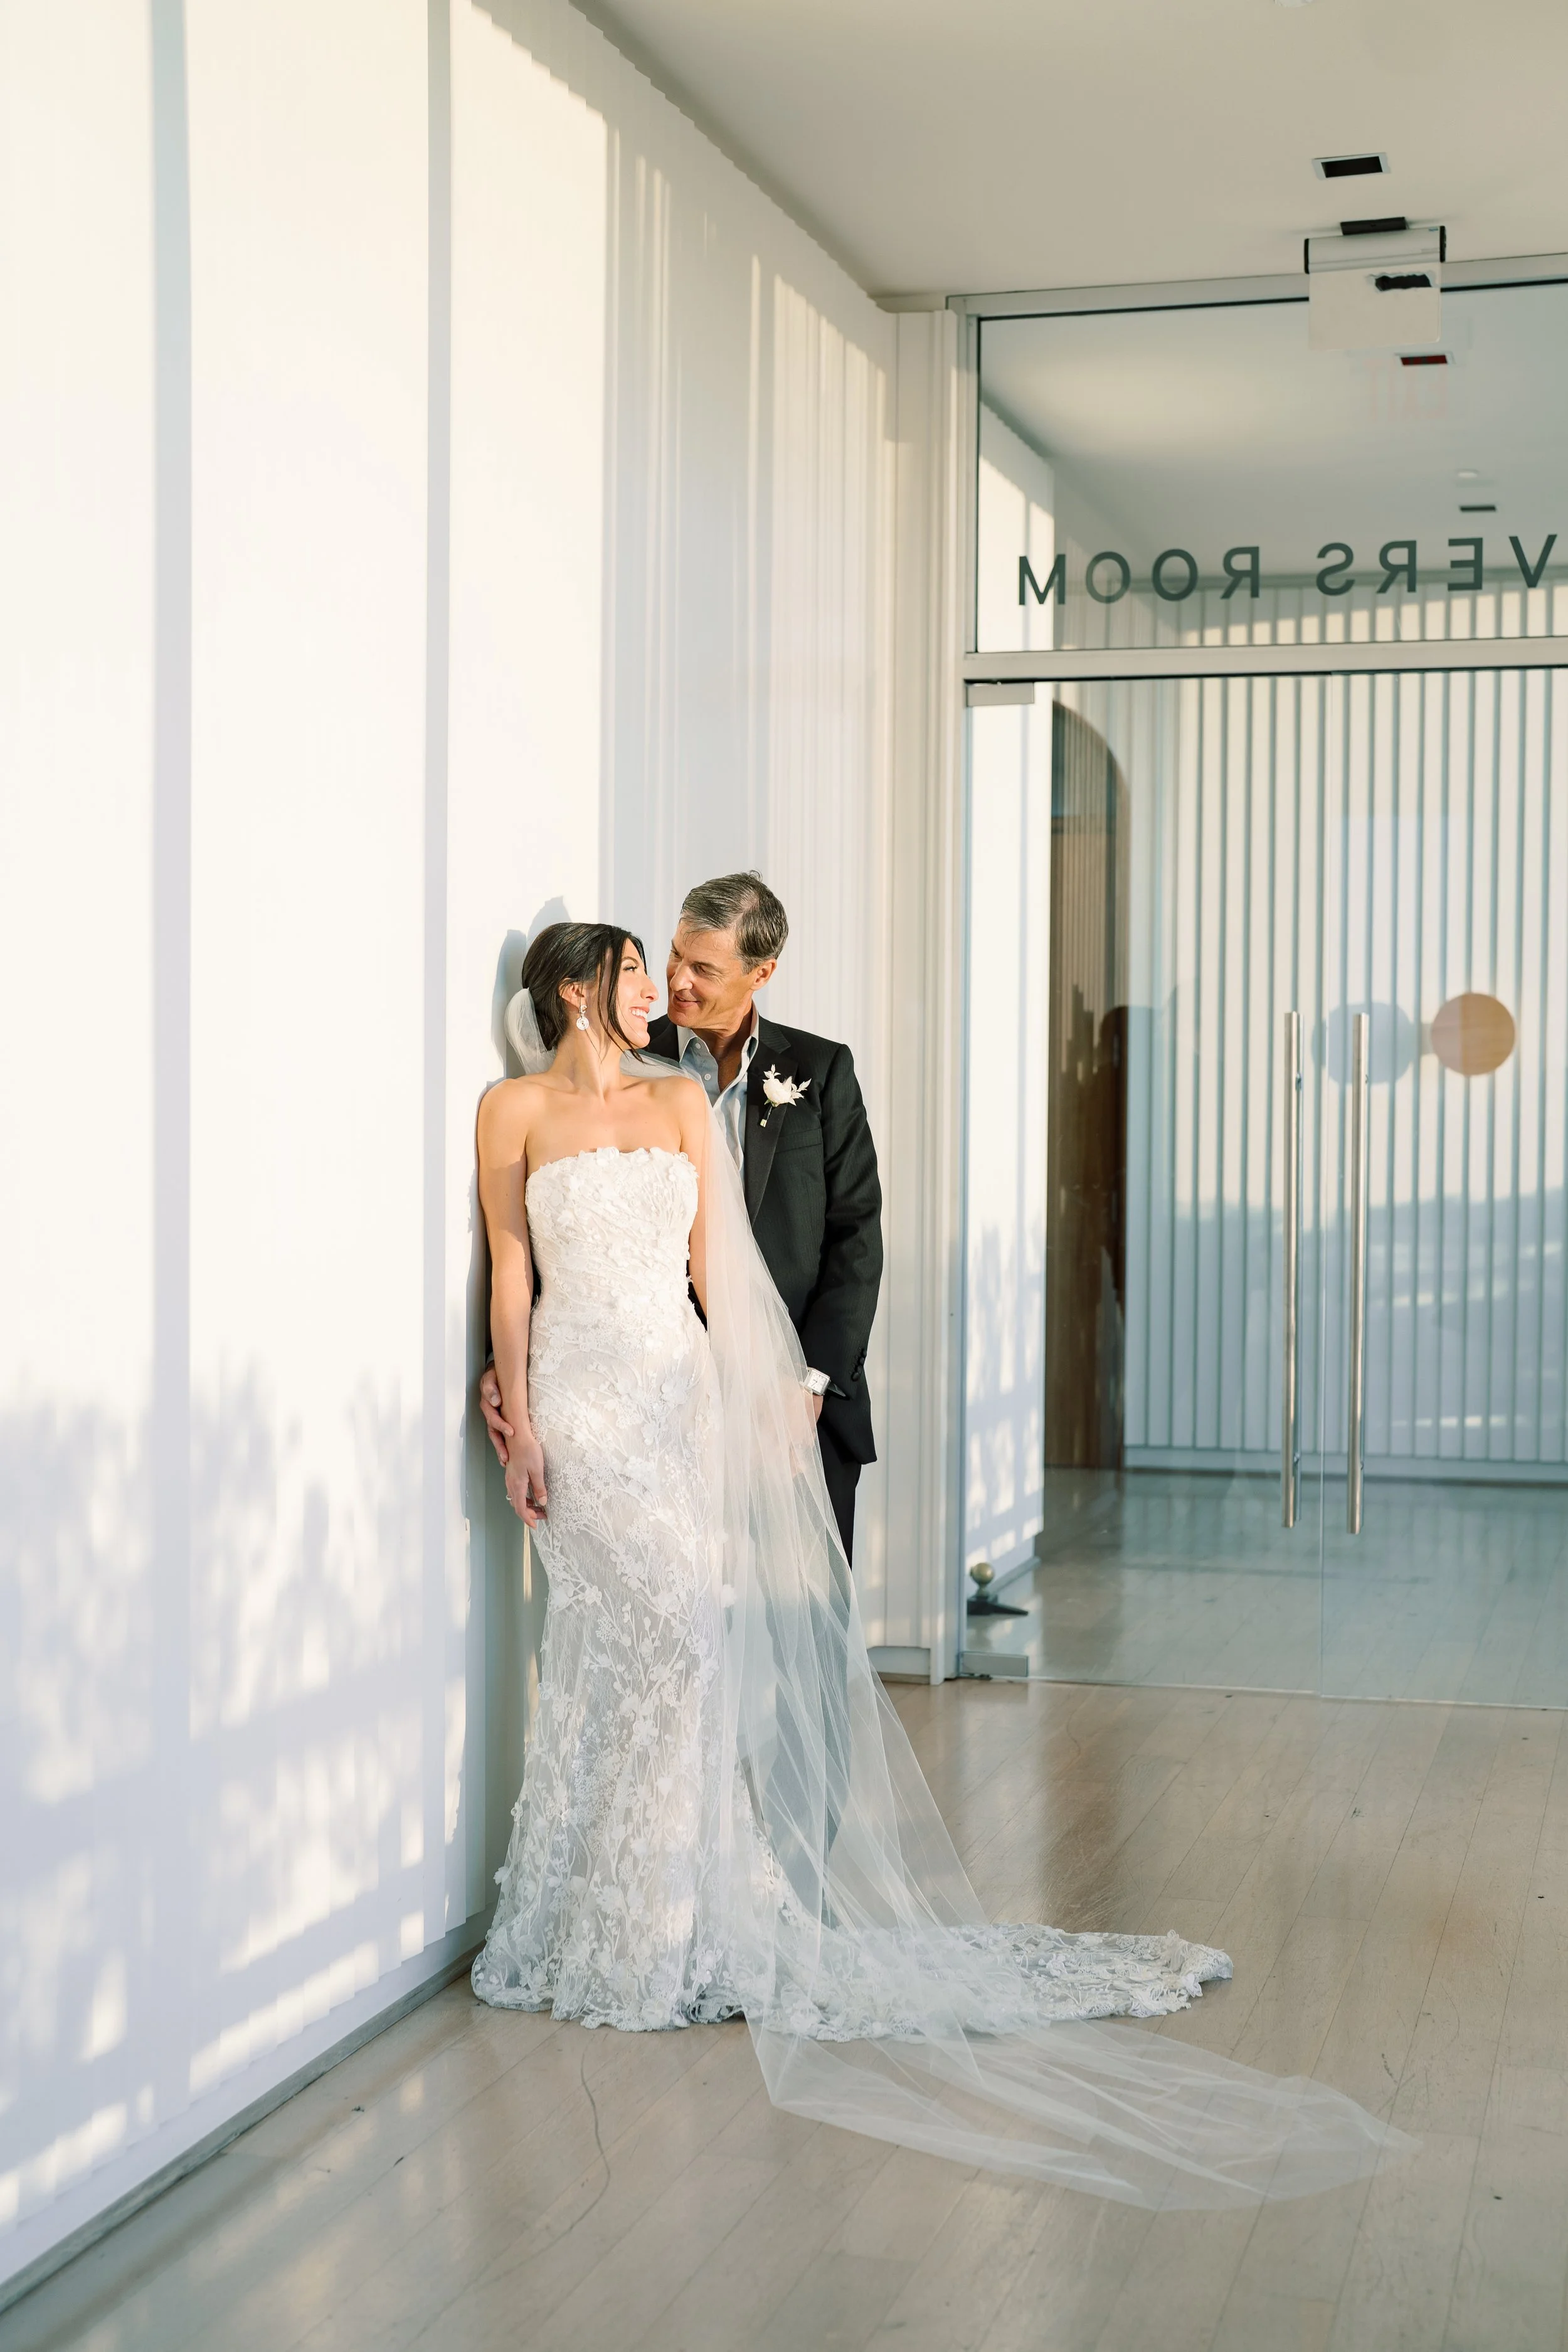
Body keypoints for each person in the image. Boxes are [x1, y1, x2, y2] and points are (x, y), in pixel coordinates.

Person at [467, 918, 1411, 2208]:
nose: (656, 995)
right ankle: (605, 1922)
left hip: (672, 1401)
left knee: (686, 1646)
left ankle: (671, 1922)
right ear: (580, 992)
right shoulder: (511, 1110)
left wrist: (765, 1398)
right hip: (580, 1406)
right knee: (623, 1649)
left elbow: (718, 1274)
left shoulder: (682, 1105)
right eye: (637, 974)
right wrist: (518, 1415)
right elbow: (511, 1271)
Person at [482, 871, 881, 1563]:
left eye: (704, 968)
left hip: (785, 1394)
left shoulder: (821, 1071)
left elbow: (857, 1239)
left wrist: (803, 1381)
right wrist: (513, 1370)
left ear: (761, 974)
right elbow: (559, 1228)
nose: (675, 981)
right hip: (629, 1395)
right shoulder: (629, 1048)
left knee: (798, 1597)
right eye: (672, 955)